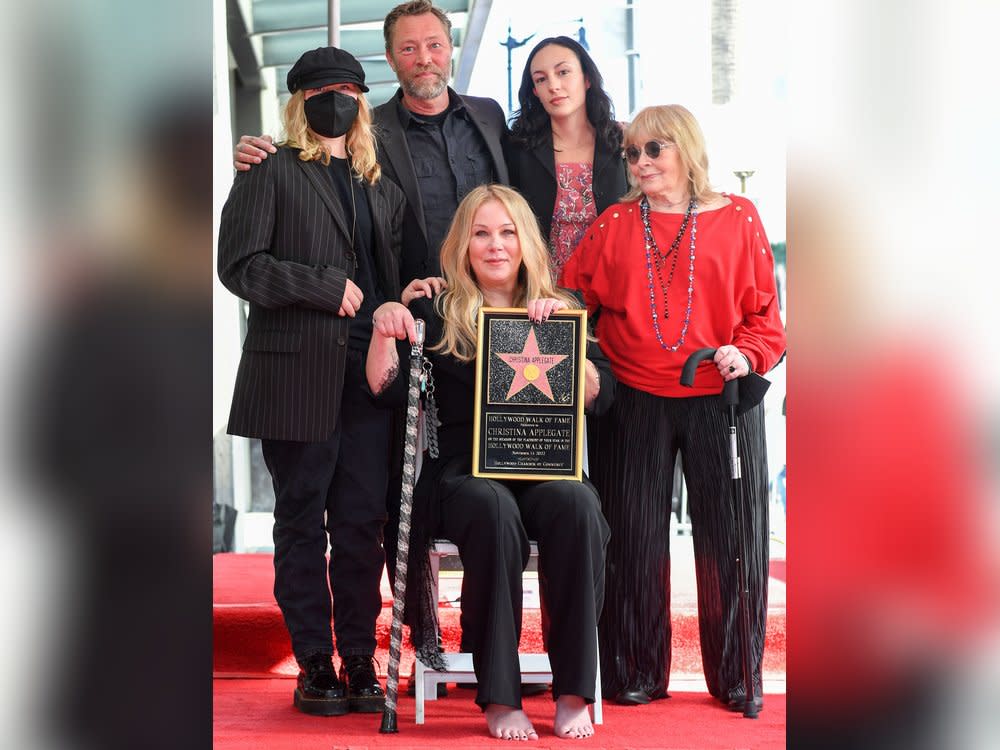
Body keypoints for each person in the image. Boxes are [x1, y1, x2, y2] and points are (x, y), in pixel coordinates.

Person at [366, 184, 616, 740]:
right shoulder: (435, 307)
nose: (495, 245)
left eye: (507, 232)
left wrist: (561, 343)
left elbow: (603, 399)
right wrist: (385, 328)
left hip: (544, 465)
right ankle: (500, 697)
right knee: (490, 505)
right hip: (463, 472)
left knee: (577, 503)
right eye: (481, 233)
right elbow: (387, 390)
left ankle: (574, 689)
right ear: (463, 244)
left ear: (526, 241)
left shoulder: (564, 307)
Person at [560, 104, 786, 708]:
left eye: (653, 150)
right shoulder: (612, 224)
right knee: (632, 540)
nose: (640, 163)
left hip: (722, 396)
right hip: (633, 396)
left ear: (685, 149)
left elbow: (767, 318)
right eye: (632, 153)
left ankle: (738, 674)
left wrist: (749, 353)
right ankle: (636, 671)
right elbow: (572, 301)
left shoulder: (739, 218)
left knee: (732, 540)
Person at [217, 46, 405, 717]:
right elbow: (238, 266)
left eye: (350, 89)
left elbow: (388, 279)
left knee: (361, 522)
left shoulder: (380, 183)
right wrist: (325, 288)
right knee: (302, 523)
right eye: (324, 90)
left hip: (369, 376)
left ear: (362, 100)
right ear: (297, 102)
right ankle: (313, 663)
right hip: (294, 373)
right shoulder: (269, 170)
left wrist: (401, 299)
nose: (338, 100)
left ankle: (359, 656)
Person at [234, 0, 509, 286]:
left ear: (450, 48)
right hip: (416, 304)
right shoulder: (362, 134)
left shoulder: (489, 115)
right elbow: (314, 168)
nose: (424, 58)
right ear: (390, 58)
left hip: (492, 297)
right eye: (408, 48)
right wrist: (259, 152)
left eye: (434, 45)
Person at [505, 36, 629, 279]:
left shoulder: (621, 143)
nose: (553, 85)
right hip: (541, 294)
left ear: (587, 78)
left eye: (563, 72)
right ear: (535, 91)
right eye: (541, 79)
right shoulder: (518, 149)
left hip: (612, 288)